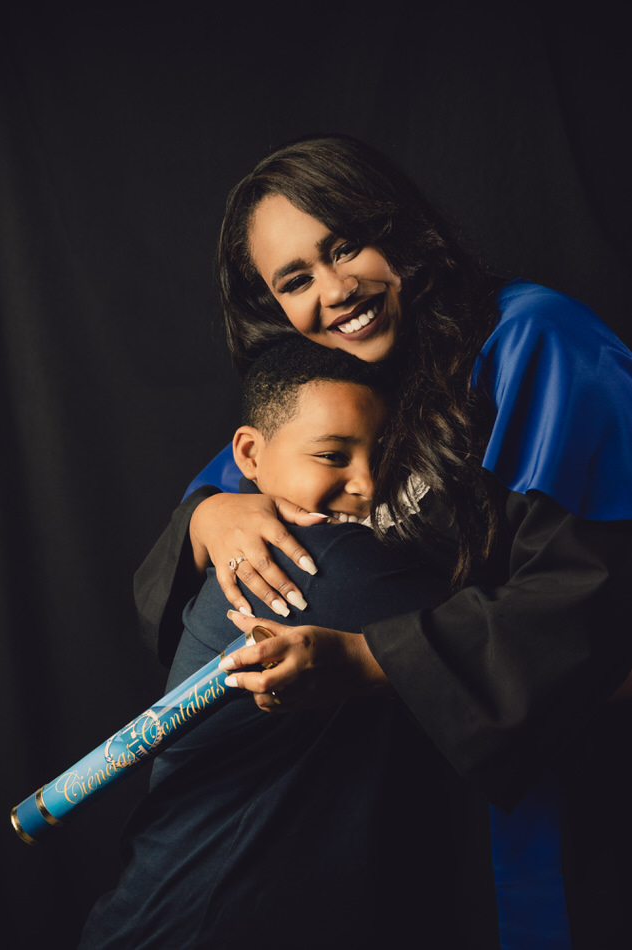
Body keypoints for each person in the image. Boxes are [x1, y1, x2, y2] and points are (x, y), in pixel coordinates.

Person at [134, 135, 632, 948]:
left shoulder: (534, 340)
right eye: (295, 280)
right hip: (403, 797)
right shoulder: (345, 381)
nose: (334, 292)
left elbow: (594, 601)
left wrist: (371, 660)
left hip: (557, 773)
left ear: (399, 228)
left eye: (345, 246)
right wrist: (207, 518)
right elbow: (228, 482)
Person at [79, 337, 471, 949]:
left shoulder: (261, 544)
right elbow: (541, 650)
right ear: (249, 455)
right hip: (193, 926)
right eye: (332, 455)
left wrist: (205, 512)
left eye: (386, 454)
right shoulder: (313, 566)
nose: (369, 483)